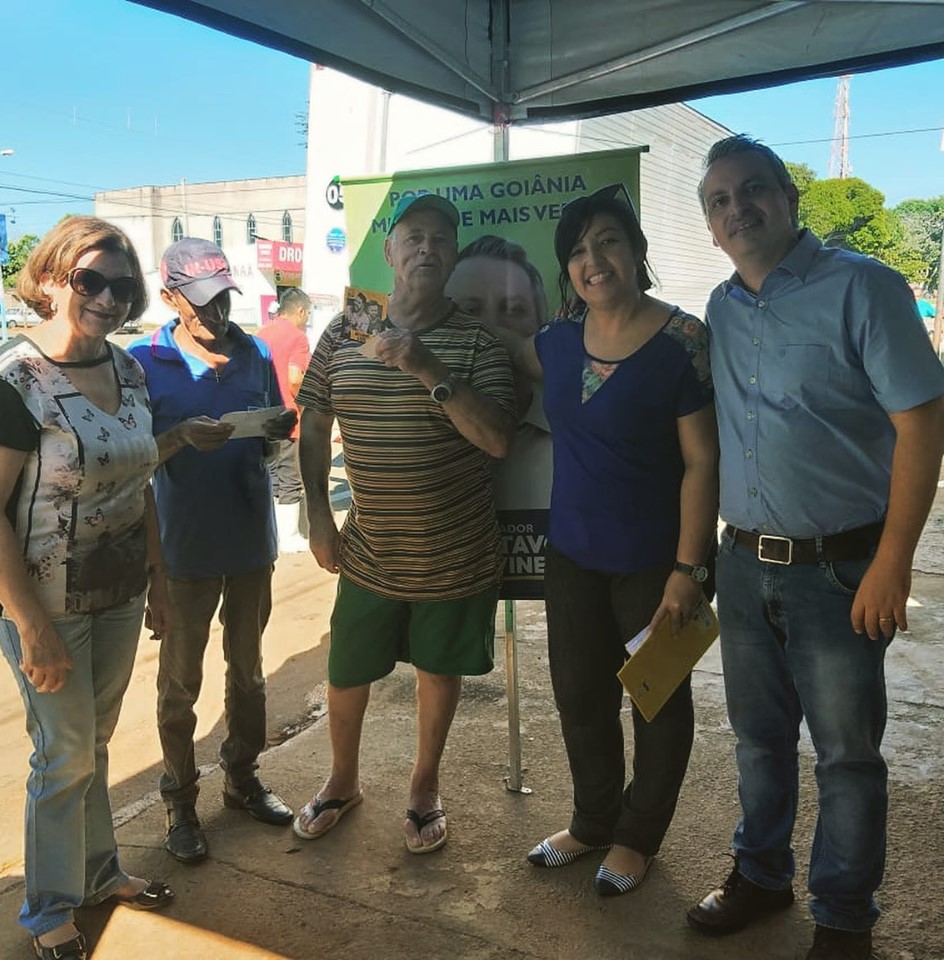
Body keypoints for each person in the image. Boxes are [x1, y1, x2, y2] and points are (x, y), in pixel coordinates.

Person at [688, 135, 944, 960]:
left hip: (842, 572)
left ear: (790, 198)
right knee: (758, 742)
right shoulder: (721, 308)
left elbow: (922, 423)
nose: (738, 208)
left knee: (847, 757)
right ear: (710, 226)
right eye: (720, 201)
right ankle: (761, 876)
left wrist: (893, 562)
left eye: (753, 190)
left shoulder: (862, 288)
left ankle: (844, 920)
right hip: (742, 561)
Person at [503, 185, 718, 897]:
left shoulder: (682, 341)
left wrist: (690, 568)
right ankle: (593, 820)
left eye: (607, 241)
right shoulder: (558, 344)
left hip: (656, 563)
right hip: (572, 556)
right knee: (579, 695)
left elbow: (701, 461)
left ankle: (637, 837)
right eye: (577, 252)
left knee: (656, 700)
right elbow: (503, 351)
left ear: (637, 250)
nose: (592, 260)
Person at [294, 195, 517, 853]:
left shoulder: (477, 342)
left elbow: (499, 440)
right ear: (389, 253)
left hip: (455, 551)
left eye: (441, 240)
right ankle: (342, 781)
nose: (426, 248)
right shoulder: (349, 328)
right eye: (413, 237)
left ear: (453, 258)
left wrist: (428, 368)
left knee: (436, 671)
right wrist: (316, 514)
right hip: (368, 548)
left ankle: (424, 787)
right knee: (346, 670)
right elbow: (313, 421)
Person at [0, 216, 175, 960]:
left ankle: (98, 873)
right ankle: (48, 907)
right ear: (56, 277)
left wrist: (157, 581)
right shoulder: (15, 380)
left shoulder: (128, 370)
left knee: (92, 742)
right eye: (91, 279)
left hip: (120, 590)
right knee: (61, 753)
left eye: (122, 287)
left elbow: (142, 485)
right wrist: (30, 625)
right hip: (42, 599)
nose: (107, 298)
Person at [129, 238, 298, 865]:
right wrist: (176, 437)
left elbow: (271, 440)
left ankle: (242, 777)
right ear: (170, 298)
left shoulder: (253, 353)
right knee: (181, 684)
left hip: (251, 540)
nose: (216, 313)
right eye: (201, 303)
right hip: (182, 550)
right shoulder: (141, 363)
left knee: (249, 674)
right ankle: (179, 800)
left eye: (223, 297)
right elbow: (127, 458)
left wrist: (276, 431)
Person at [446, 234, 552, 513]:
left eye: (514, 309)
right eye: (470, 310)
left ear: (541, 325)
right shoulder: (422, 430)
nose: (491, 330)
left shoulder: (573, 430)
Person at [256, 287, 312, 553]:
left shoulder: (262, 333)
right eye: (308, 313)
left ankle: (270, 531)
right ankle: (288, 537)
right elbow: (294, 379)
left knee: (272, 474)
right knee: (290, 475)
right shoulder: (298, 338)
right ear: (300, 311)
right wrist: (306, 404)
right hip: (289, 417)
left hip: (263, 416)